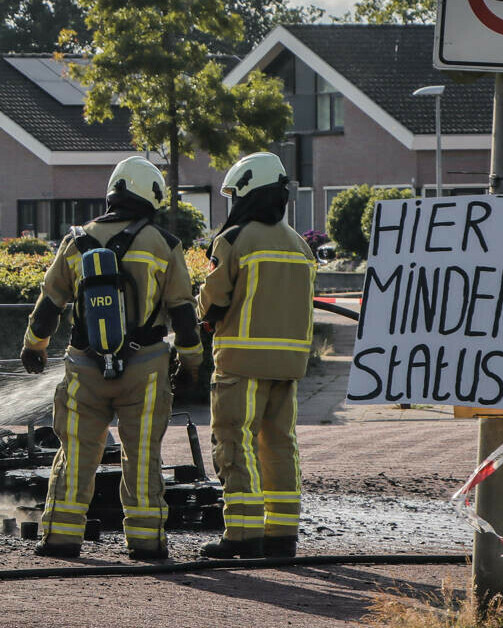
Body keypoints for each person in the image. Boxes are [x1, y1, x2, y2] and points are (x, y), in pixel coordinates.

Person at [20, 157, 205, 561]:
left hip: (84, 367)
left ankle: (60, 539)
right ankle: (146, 542)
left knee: (77, 452)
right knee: (140, 455)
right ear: (151, 196)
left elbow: (50, 304)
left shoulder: (75, 241)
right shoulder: (164, 244)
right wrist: (191, 364)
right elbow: (183, 314)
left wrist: (34, 346)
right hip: (147, 366)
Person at [197, 152, 316, 560]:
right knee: (280, 445)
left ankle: (243, 535)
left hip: (240, 364)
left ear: (246, 194)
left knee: (236, 442)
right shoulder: (301, 246)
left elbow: (213, 300)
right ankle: (282, 535)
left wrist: (202, 313)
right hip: (288, 367)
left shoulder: (234, 240)